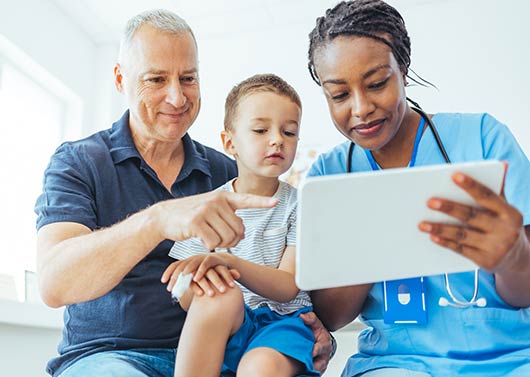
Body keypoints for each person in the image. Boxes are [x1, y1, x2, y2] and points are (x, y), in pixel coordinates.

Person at [34, 9, 332, 377]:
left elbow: (280, 278)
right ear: (120, 78)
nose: (176, 97)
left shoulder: (230, 175)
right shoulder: (81, 162)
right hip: (112, 357)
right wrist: (157, 220)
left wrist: (316, 333)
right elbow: (54, 283)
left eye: (188, 78)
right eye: (156, 79)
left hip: (225, 355)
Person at [305, 0, 530, 376]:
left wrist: (514, 258)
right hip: (395, 363)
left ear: (403, 71)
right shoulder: (327, 175)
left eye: (377, 83)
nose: (360, 108)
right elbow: (333, 316)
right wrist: (367, 246)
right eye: (339, 95)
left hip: (512, 356)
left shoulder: (483, 138)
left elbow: (523, 290)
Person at [162, 73, 319, 377]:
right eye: (261, 130)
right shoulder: (207, 206)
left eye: (289, 132)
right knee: (217, 295)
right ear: (229, 142)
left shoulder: (302, 205)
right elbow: (184, 298)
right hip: (231, 325)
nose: (277, 139)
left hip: (284, 325)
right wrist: (196, 283)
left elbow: (287, 287)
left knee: (259, 367)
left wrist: (227, 262)